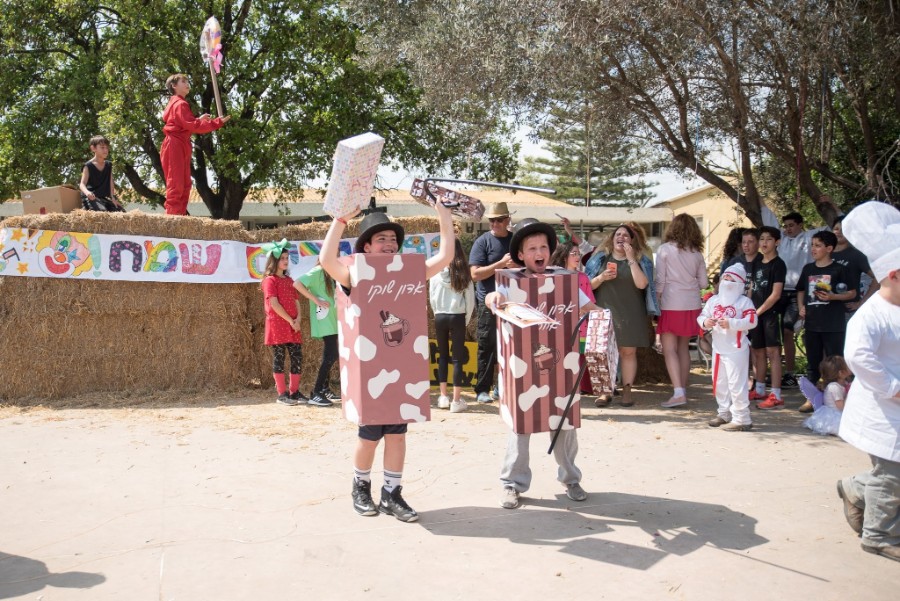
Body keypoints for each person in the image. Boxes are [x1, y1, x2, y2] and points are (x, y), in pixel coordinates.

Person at [320, 201, 454, 522]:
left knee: (397, 436)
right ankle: (361, 486)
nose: (390, 244)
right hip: (370, 377)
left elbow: (445, 257)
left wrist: (444, 218)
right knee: (369, 437)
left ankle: (391, 494)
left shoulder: (409, 272)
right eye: (382, 239)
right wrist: (340, 220)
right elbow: (326, 260)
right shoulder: (355, 273)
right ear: (366, 246)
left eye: (394, 240)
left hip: (401, 373)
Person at [484, 220, 599, 509]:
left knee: (564, 424)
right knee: (521, 427)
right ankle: (512, 484)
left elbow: (588, 307)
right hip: (522, 370)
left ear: (550, 251)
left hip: (561, 368)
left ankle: (571, 479)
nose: (539, 252)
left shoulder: (564, 279)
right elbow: (491, 297)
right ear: (521, 254)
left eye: (543, 247)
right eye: (532, 248)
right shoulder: (509, 281)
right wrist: (493, 298)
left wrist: (604, 319)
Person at [835, 201, 900, 563]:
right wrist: (893, 387)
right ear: (894, 275)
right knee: (893, 473)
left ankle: (856, 488)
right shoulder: (871, 314)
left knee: (891, 472)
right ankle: (878, 535)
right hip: (883, 409)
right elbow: (859, 357)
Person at [761, 200, 840, 386]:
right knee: (774, 331)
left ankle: (793, 372)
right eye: (786, 226)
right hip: (780, 290)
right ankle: (779, 371)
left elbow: (833, 226)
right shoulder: (780, 239)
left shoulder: (810, 237)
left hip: (799, 291)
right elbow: (768, 217)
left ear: (800, 225)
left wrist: (832, 206)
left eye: (791, 225)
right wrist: (760, 201)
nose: (788, 229)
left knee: (789, 329)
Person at [585, 224, 658, 407]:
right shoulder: (600, 258)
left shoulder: (642, 260)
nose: (622, 237)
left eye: (626, 235)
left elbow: (642, 285)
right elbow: (586, 287)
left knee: (628, 352)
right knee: (604, 352)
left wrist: (631, 258)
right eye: (618, 234)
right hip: (605, 311)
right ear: (612, 238)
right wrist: (601, 278)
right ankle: (605, 391)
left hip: (631, 313)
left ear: (632, 241)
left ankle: (627, 390)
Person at [655, 214, 708, 408]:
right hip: (692, 304)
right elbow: (704, 283)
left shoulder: (664, 250)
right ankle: (682, 389)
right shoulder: (697, 254)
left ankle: (678, 392)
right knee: (684, 348)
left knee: (669, 349)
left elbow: (660, 281)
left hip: (670, 303)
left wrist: (656, 300)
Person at [698, 264, 757, 432]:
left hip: (736, 349)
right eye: (725, 277)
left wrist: (731, 323)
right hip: (718, 348)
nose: (727, 281)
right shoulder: (713, 300)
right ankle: (723, 413)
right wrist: (705, 322)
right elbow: (702, 316)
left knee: (736, 384)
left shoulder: (745, 302)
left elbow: (752, 321)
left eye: (732, 278)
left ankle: (742, 418)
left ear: (740, 282)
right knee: (719, 383)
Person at [160, 74, 230, 216]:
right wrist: (217, 122)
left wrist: (198, 119)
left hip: (180, 143)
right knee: (177, 185)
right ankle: (172, 220)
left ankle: (179, 217)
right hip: (175, 145)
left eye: (187, 81)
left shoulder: (178, 103)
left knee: (184, 184)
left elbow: (184, 123)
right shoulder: (180, 104)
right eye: (183, 81)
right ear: (174, 86)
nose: (187, 83)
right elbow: (193, 126)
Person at [469, 202, 516, 403]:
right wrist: (500, 264)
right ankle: (482, 389)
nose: (494, 223)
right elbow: (475, 274)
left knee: (511, 346)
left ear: (507, 220)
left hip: (514, 301)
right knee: (487, 346)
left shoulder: (516, 241)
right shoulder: (482, 242)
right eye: (492, 220)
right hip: (488, 303)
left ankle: (502, 386)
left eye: (498, 220)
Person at [797, 231, 854, 386]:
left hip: (833, 324)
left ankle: (838, 394)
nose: (813, 249)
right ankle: (812, 397)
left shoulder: (839, 269)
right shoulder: (808, 269)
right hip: (812, 324)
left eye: (818, 245)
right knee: (812, 362)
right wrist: (801, 306)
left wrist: (833, 297)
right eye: (812, 245)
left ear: (829, 249)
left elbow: (852, 293)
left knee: (835, 361)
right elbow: (801, 290)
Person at [429, 238, 475, 413]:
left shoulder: (435, 273)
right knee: (457, 359)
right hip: (458, 316)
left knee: (442, 356)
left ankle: (443, 397)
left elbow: (432, 298)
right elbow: (470, 301)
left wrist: (437, 313)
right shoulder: (464, 273)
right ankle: (456, 400)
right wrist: (465, 319)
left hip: (440, 315)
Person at [260, 239, 305, 406]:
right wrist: (290, 320)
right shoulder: (270, 280)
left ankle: (294, 392)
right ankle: (282, 394)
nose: (286, 261)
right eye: (283, 258)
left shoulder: (289, 280)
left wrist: (298, 319)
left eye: (287, 258)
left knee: (297, 357)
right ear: (275, 261)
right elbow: (274, 303)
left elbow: (296, 300)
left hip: (293, 324)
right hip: (278, 324)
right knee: (279, 357)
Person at [749, 226, 788, 410]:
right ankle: (760, 389)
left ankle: (776, 394)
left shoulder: (778, 264)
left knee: (773, 353)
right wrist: (749, 309)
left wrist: (759, 311)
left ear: (777, 242)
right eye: (762, 239)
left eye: (769, 239)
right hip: (755, 315)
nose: (764, 243)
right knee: (758, 352)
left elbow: (776, 294)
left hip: (770, 314)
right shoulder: (757, 262)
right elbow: (752, 287)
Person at [550, 239, 595, 395]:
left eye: (578, 253)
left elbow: (590, 302)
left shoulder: (583, 277)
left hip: (581, 326)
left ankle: (583, 387)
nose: (577, 257)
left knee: (581, 356)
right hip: (561, 325)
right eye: (573, 253)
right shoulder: (555, 276)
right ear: (564, 256)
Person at [293, 256, 339, 408]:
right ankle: (316, 392)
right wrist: (315, 300)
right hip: (325, 321)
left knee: (332, 354)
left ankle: (324, 389)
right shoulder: (318, 271)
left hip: (333, 320)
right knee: (330, 355)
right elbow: (297, 283)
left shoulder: (331, 274)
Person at [832, 215, 880, 319]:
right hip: (825, 311)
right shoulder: (824, 253)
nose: (839, 232)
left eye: (843, 229)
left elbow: (879, 277)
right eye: (836, 229)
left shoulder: (856, 255)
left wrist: (861, 303)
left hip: (847, 312)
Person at [803, 355, 850, 436]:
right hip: (835, 414)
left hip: (838, 411)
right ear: (841, 372)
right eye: (847, 366)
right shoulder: (834, 387)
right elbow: (841, 407)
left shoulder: (843, 383)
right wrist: (850, 394)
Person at [78, 135, 125, 212]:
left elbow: (111, 183)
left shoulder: (108, 165)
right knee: (102, 213)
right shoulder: (88, 165)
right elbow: (82, 184)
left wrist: (113, 198)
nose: (105, 150)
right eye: (102, 147)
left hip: (103, 198)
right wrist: (87, 193)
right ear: (93, 148)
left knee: (122, 213)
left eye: (107, 148)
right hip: (91, 197)